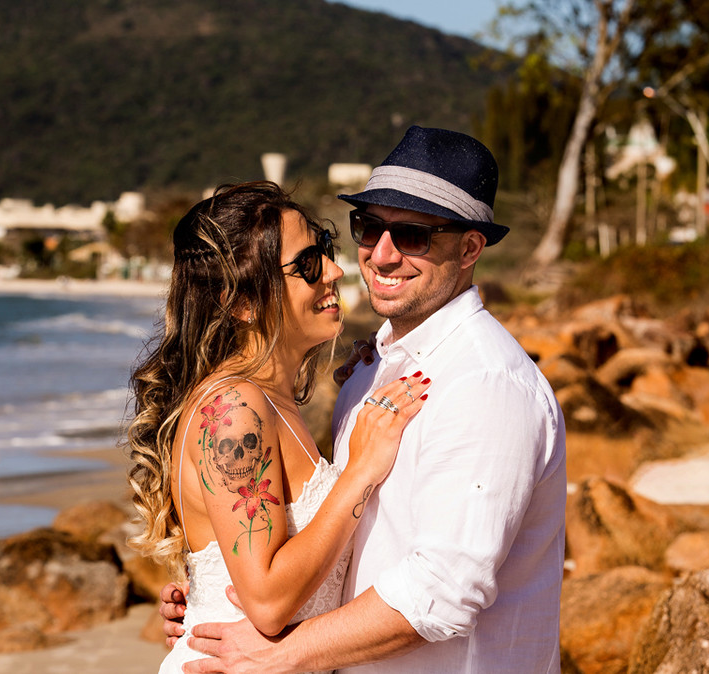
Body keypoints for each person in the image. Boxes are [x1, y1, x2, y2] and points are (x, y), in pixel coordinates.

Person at [164, 126, 567, 673]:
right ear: (242, 301)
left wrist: (283, 650)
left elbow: (445, 589)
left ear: (471, 247)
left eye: (414, 236)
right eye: (368, 227)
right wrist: (205, 593)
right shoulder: (364, 374)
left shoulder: (484, 384)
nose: (378, 256)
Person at [126, 181, 432, 674]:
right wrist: (359, 473)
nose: (334, 271)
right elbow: (267, 601)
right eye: (308, 265)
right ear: (242, 303)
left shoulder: (270, 401)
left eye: (327, 251)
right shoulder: (233, 408)